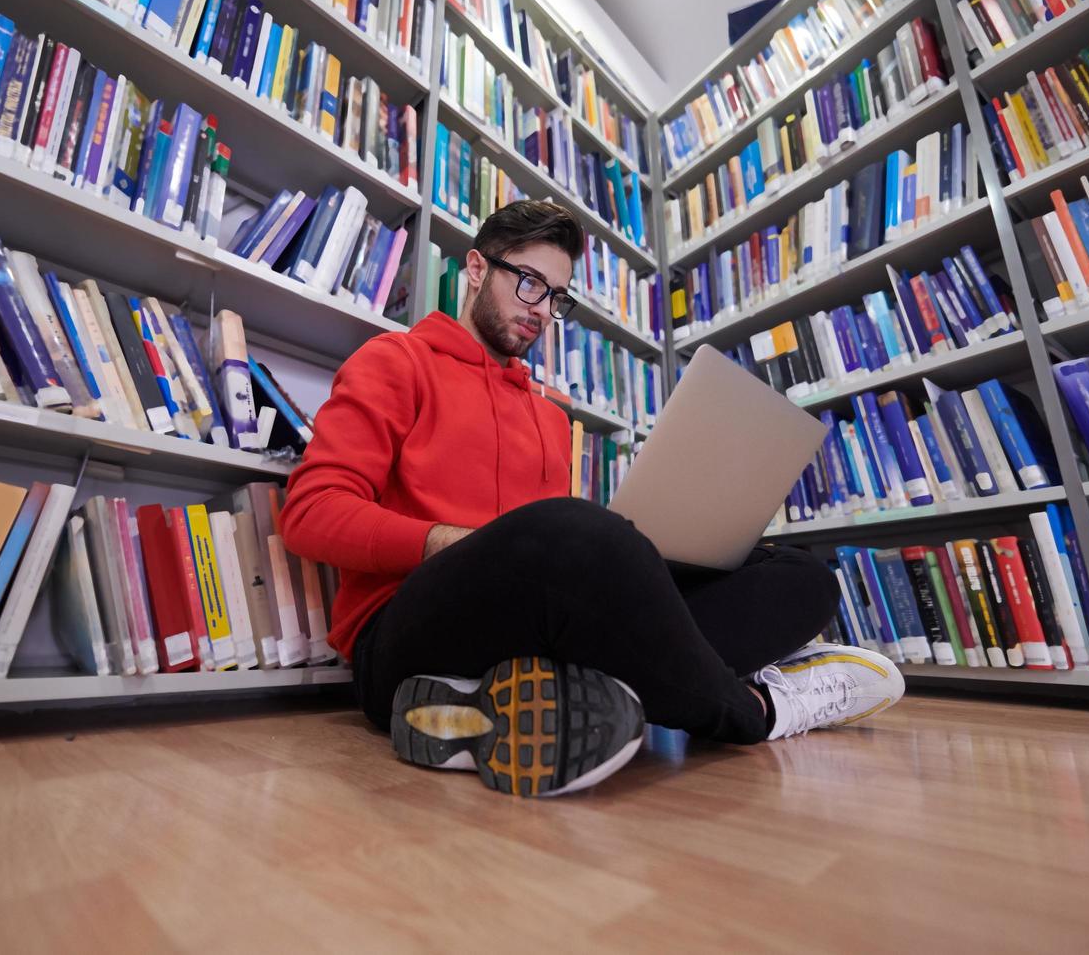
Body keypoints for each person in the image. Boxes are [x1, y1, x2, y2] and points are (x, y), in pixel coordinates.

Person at [281, 201, 904, 798]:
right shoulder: (397, 361)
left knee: (801, 574)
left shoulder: (552, 415)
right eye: (528, 282)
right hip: (401, 639)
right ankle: (757, 709)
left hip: (536, 641)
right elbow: (309, 512)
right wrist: (455, 542)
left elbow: (571, 572)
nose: (542, 310)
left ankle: (527, 699)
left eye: (556, 297)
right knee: (568, 529)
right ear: (476, 269)